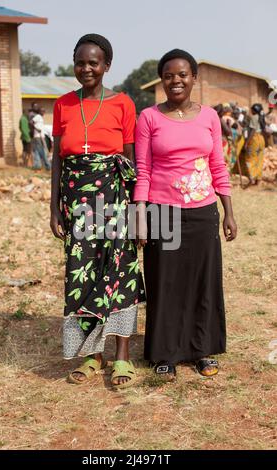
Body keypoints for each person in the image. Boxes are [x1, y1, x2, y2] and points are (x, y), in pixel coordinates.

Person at [134, 49, 237, 380]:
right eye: (168, 75)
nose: (175, 81)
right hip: (162, 211)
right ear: (161, 80)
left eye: (182, 75)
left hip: (203, 212)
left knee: (203, 283)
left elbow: (218, 165)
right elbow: (143, 169)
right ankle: (164, 352)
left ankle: (201, 349)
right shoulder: (148, 117)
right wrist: (140, 214)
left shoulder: (209, 117)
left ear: (194, 78)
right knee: (165, 282)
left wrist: (228, 212)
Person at [50, 34, 145, 389]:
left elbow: (133, 162)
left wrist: (137, 211)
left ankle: (122, 357)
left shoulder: (123, 103)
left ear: (106, 66)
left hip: (115, 198)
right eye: (80, 62)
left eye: (94, 62)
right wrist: (55, 208)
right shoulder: (62, 105)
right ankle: (92, 354)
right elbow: (58, 164)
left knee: (120, 274)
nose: (86, 68)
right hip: (76, 204)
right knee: (82, 277)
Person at [242, 103, 266, 185]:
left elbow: (252, 131)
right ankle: (258, 179)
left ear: (254, 110)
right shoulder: (261, 117)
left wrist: (246, 142)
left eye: (251, 109)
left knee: (250, 158)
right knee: (259, 159)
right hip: (261, 139)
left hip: (254, 139)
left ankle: (252, 178)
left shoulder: (254, 117)